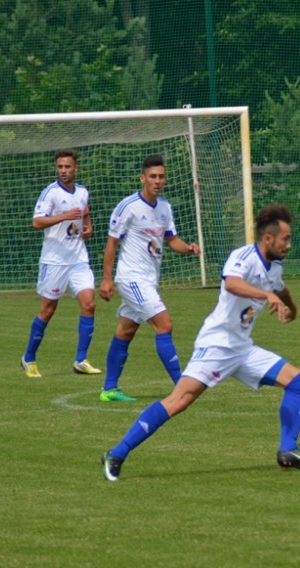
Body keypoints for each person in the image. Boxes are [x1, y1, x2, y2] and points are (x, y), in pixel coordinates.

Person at [100, 203, 300, 481]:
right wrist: (267, 296)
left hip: (242, 348)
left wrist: (292, 307)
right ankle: (117, 453)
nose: (289, 244)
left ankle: (288, 450)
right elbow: (232, 283)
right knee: (178, 401)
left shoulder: (274, 266)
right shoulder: (243, 256)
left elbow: (279, 286)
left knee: (299, 382)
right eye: (285, 239)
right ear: (268, 238)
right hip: (217, 344)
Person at [97, 154, 201, 401]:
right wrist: (107, 279)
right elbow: (112, 243)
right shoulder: (128, 206)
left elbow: (171, 239)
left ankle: (109, 389)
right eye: (152, 176)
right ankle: (182, 387)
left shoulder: (164, 207)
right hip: (131, 278)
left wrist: (188, 248)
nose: (157, 181)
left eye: (161, 177)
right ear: (142, 178)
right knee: (164, 324)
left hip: (149, 279)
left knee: (126, 331)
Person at [19, 149, 102, 378]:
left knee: (89, 304)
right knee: (48, 309)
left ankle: (81, 360)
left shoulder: (83, 192)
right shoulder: (51, 193)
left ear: (76, 168)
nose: (63, 171)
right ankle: (29, 357)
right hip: (54, 260)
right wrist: (63, 216)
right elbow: (37, 222)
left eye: (67, 167)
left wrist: (88, 226)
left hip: (78, 258)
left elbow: (84, 212)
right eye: (60, 167)